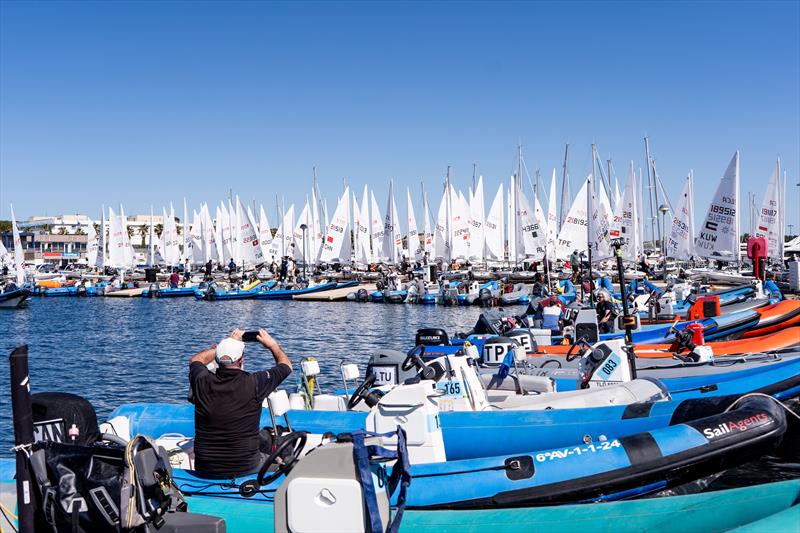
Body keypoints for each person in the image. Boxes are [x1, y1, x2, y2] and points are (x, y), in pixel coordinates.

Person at [189, 328, 292, 479]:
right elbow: (286, 365)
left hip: (205, 467)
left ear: (216, 359)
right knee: (285, 461)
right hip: (246, 466)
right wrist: (272, 345)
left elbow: (196, 360)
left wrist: (226, 346)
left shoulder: (201, 381)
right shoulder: (255, 383)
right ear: (242, 360)